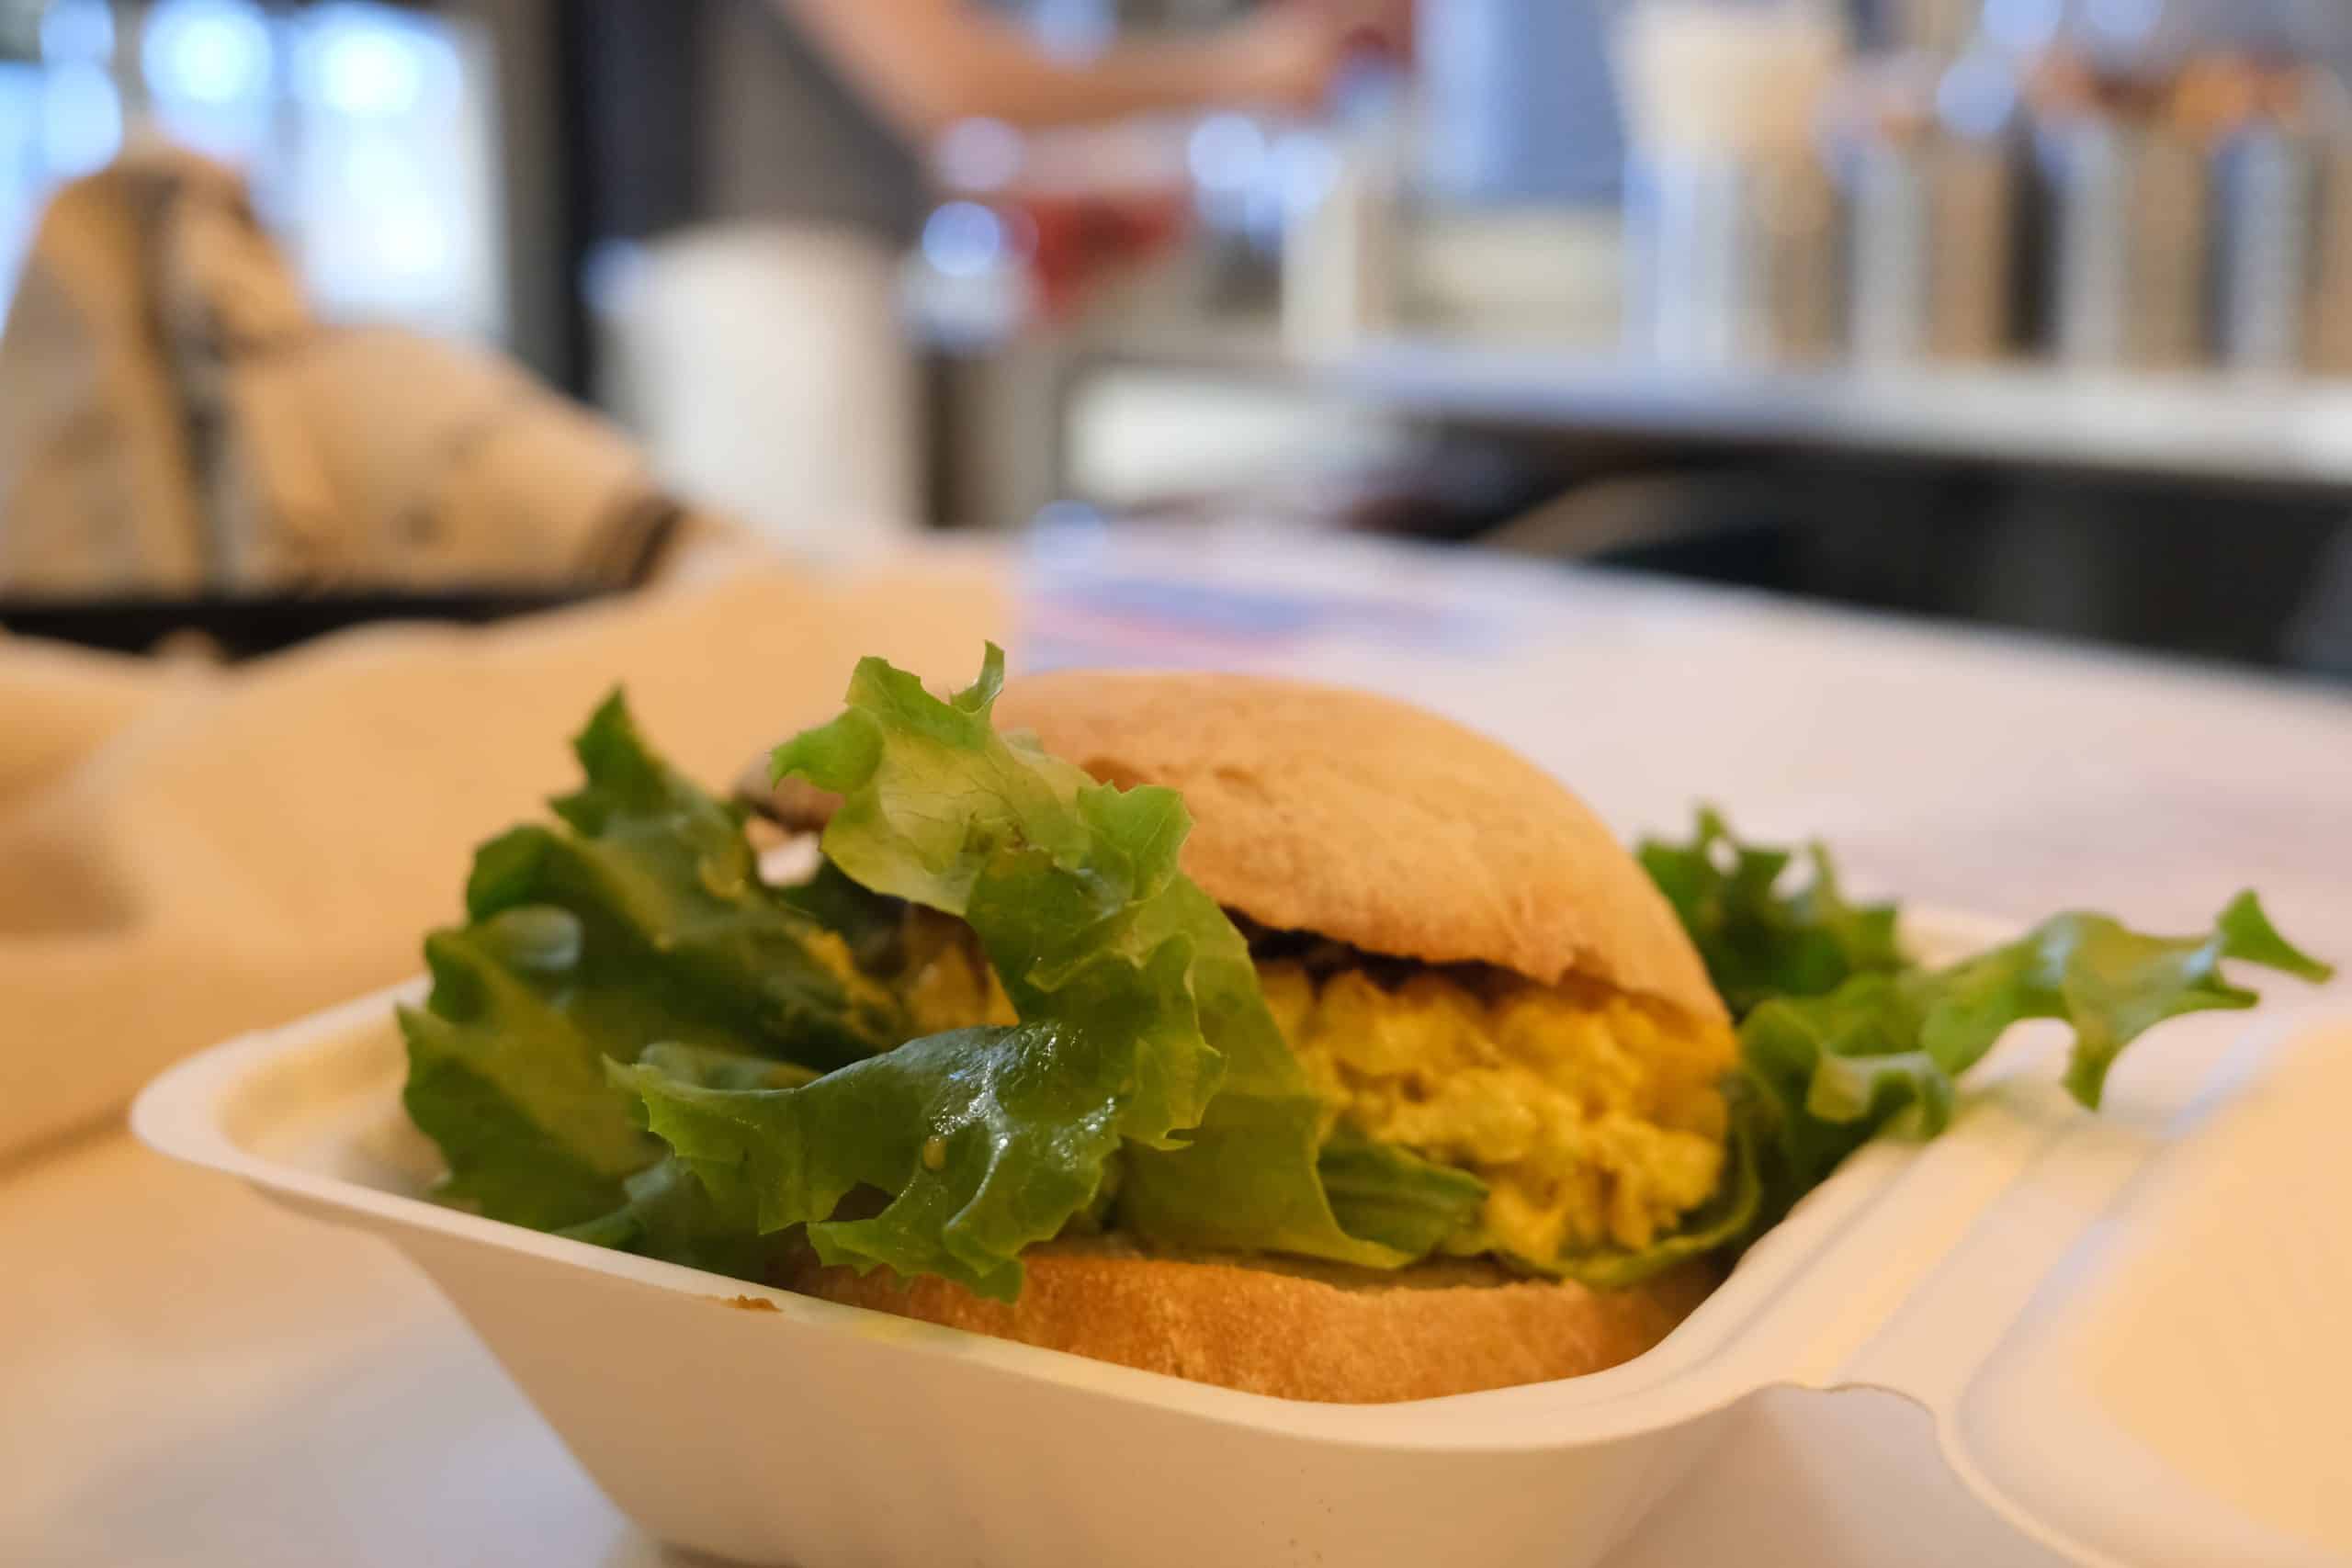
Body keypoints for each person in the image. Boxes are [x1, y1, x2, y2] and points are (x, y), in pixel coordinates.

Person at [594, 0, 1403, 558]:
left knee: (800, 613)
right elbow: (955, 83)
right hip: (768, 292)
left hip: (775, 281)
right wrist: (1247, 69)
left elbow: (909, 118)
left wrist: (1040, 191)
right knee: (805, 623)